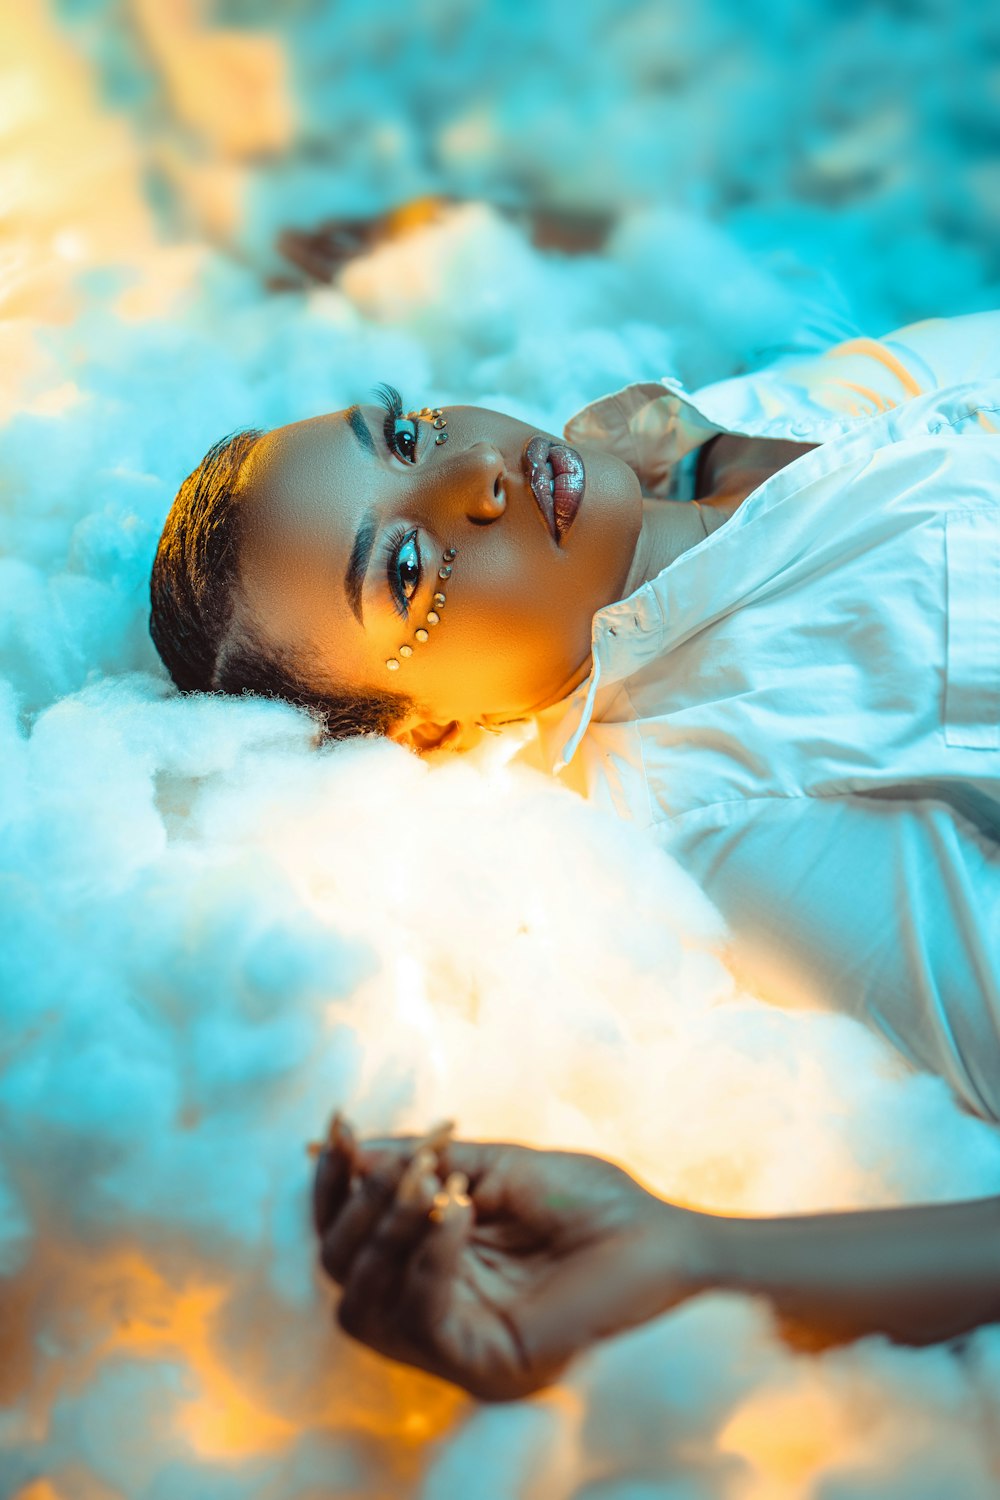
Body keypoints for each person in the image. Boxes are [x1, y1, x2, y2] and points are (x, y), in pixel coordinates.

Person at [150, 310, 1000, 1397]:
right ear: (429, 729)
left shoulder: (716, 420)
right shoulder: (721, 812)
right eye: (406, 568)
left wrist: (717, 452)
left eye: (405, 433)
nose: (475, 472)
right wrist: (696, 1258)